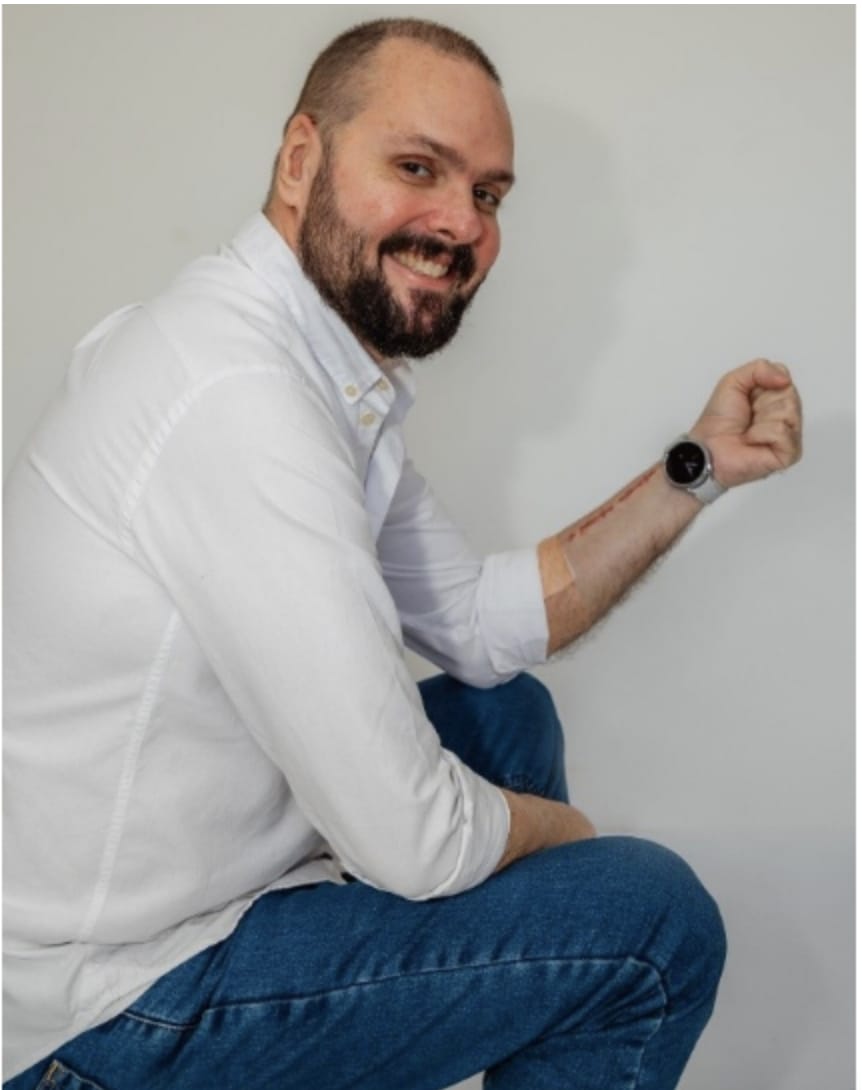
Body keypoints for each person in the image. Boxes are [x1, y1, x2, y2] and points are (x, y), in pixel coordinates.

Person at [3, 17, 802, 1090]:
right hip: (104, 1012)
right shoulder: (239, 400)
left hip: (192, 895)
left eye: (489, 194)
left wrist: (693, 470)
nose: (461, 222)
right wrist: (565, 833)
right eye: (419, 167)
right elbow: (412, 842)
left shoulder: (306, 369)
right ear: (302, 161)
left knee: (506, 716)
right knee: (652, 926)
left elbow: (475, 622)